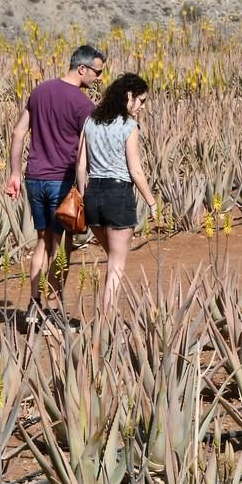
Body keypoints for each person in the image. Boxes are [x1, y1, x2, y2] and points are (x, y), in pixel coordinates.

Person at [4, 44, 106, 325]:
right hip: (62, 182)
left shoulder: (40, 91)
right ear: (81, 68)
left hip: (34, 178)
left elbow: (18, 131)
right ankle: (53, 310)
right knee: (61, 246)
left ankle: (34, 308)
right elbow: (93, 144)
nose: (99, 78)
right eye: (97, 72)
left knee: (42, 242)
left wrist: (14, 173)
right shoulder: (83, 105)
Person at [75, 73, 157, 311]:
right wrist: (152, 203)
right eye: (141, 101)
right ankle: (106, 323)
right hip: (118, 195)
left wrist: (82, 196)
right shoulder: (129, 126)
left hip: (93, 196)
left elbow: (81, 166)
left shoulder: (90, 121)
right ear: (128, 96)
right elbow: (136, 171)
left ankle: (106, 319)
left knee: (112, 258)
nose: (142, 107)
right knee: (116, 267)